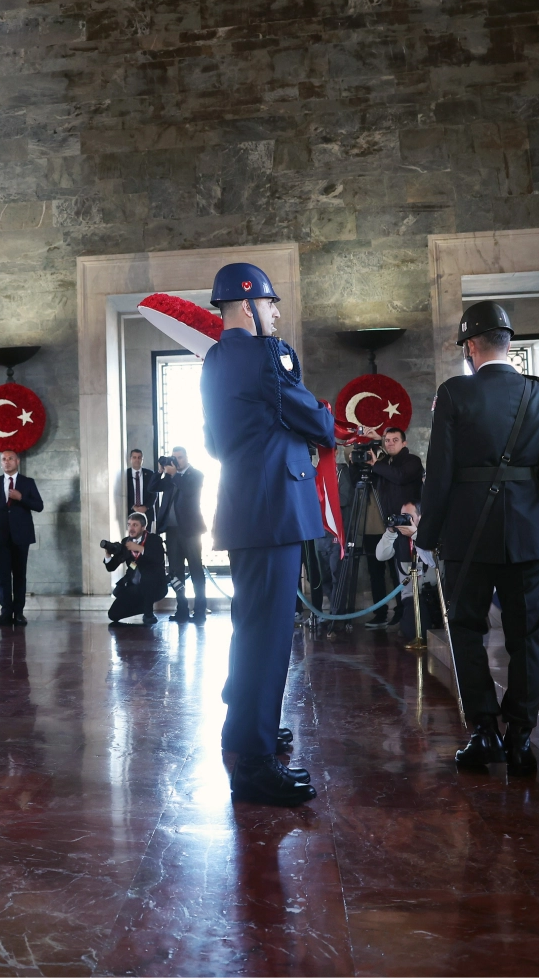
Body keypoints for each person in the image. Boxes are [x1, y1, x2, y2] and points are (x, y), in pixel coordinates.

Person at [419, 300, 539, 777]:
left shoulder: (454, 394)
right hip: (531, 534)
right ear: (509, 343)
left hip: (468, 534)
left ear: (470, 347)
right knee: (526, 637)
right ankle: (521, 739)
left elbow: (440, 472)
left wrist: (427, 536)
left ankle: (484, 732)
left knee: (467, 631)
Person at [201, 262, 332, 807]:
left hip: (243, 507)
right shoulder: (267, 355)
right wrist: (327, 422)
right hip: (276, 506)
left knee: (251, 627)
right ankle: (254, 764)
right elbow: (314, 421)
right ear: (246, 305)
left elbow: (213, 443)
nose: (276, 313)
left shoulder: (213, 360)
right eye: (270, 303)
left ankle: (244, 729)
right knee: (270, 635)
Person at [361, 426, 423, 630]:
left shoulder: (412, 461)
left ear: (404, 443)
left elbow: (400, 476)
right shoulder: (385, 463)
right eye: (387, 440)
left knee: (406, 574)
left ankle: (409, 617)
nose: (390, 443)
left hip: (410, 527)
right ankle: (400, 616)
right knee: (393, 571)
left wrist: (376, 464)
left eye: (395, 440)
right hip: (391, 526)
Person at [0, 450, 44, 627]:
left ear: (17, 461)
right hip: (0, 537)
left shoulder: (27, 482)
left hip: (21, 536)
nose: (7, 462)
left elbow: (39, 506)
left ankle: (19, 613)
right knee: (3, 576)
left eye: (10, 458)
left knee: (19, 575)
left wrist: (21, 498)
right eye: (4, 459)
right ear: (0, 463)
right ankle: (6, 612)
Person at [154, 446, 206, 622]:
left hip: (191, 531)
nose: (176, 461)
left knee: (196, 570)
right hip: (171, 531)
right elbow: (152, 488)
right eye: (174, 458)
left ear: (187, 457)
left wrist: (175, 474)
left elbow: (189, 490)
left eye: (180, 457)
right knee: (176, 572)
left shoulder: (196, 475)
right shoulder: (170, 477)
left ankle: (200, 611)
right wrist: (160, 472)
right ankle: (182, 610)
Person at [372, 503, 438, 640]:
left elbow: (435, 560)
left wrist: (415, 535)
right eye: (402, 516)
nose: (404, 520)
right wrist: (390, 532)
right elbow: (380, 556)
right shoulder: (398, 538)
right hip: (411, 598)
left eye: (409, 516)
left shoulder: (432, 535)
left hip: (434, 595)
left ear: (421, 517)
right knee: (414, 632)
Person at [105, 513, 166, 624]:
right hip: (135, 587)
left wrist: (140, 548)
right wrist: (108, 554)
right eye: (129, 525)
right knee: (113, 614)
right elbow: (111, 567)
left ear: (143, 527)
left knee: (148, 578)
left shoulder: (154, 539)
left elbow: (159, 559)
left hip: (155, 586)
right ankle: (144, 608)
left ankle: (148, 614)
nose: (131, 528)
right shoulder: (126, 542)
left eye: (135, 525)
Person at [122, 448, 155, 521]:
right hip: (130, 511)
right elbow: (122, 493)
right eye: (134, 457)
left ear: (142, 459)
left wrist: (146, 507)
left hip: (147, 512)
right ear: (130, 459)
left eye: (139, 457)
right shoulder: (125, 474)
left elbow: (154, 493)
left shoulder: (150, 474)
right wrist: (133, 506)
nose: (137, 460)